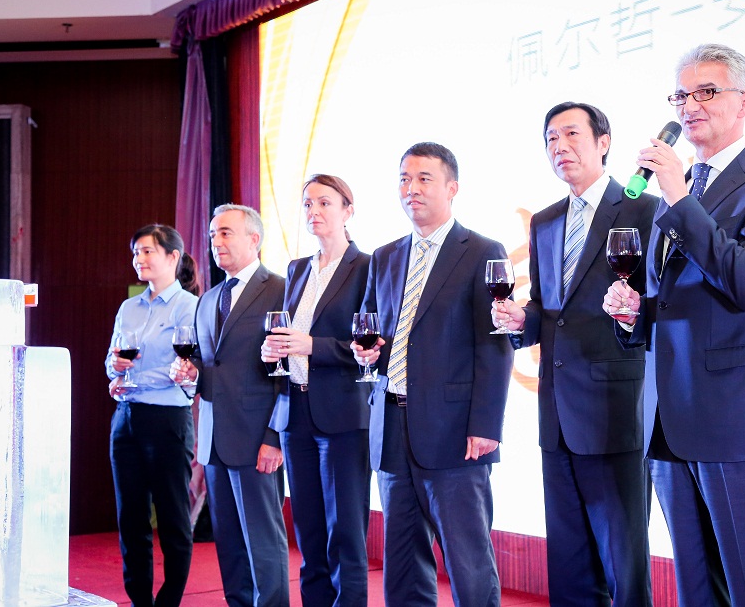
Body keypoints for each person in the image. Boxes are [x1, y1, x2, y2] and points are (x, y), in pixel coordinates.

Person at [603, 43, 745, 606]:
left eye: (706, 92)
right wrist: (634, 314)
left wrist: (676, 194)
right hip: (670, 417)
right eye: (681, 95)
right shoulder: (677, 195)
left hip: (739, 416)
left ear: (744, 102)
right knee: (699, 589)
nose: (689, 106)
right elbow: (675, 301)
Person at [492, 102, 656, 605]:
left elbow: (657, 303)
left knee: (623, 557)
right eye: (550, 139)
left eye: (570, 134)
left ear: (603, 143)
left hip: (616, 406)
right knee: (568, 560)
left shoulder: (645, 210)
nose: (559, 147)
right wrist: (522, 320)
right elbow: (548, 308)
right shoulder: (545, 221)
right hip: (557, 409)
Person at [351, 142, 513, 606]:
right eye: (404, 179)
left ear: (452, 187)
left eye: (424, 178)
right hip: (392, 426)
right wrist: (367, 353)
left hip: (455, 432)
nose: (412, 189)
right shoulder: (384, 256)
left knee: (468, 561)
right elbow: (372, 328)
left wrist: (486, 425)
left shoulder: (482, 251)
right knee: (403, 562)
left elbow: (495, 345)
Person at [170, 204, 289, 607]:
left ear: (254, 239)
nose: (215, 241)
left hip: (258, 440)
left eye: (225, 233)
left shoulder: (281, 289)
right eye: (212, 234)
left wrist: (275, 437)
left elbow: (289, 373)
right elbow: (208, 366)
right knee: (230, 544)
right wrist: (190, 373)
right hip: (213, 440)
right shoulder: (208, 300)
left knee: (264, 541)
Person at [261, 175, 371, 605]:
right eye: (307, 204)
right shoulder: (297, 268)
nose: (314, 211)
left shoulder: (367, 267)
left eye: (324, 202)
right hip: (296, 411)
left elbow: (369, 346)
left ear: (348, 210)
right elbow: (288, 335)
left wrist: (312, 346)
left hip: (343, 413)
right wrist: (273, 350)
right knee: (308, 534)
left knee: (345, 534)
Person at [106, 224, 198, 607]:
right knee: (131, 519)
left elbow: (186, 367)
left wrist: (135, 379)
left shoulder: (190, 306)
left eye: (147, 251)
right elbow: (112, 360)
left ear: (173, 257)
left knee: (173, 519)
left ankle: (169, 600)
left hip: (167, 422)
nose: (139, 259)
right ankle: (139, 600)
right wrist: (115, 371)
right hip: (126, 419)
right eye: (136, 253)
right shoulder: (129, 307)